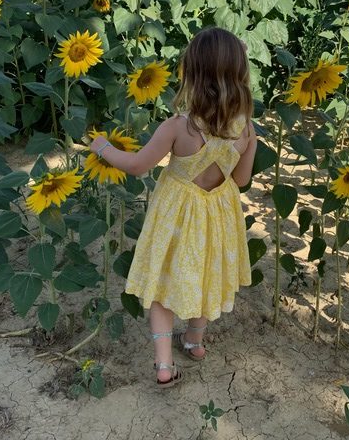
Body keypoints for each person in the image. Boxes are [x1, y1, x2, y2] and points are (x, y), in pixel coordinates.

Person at [90, 27, 258, 388]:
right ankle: (194, 342)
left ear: (191, 74)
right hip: (217, 212)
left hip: (177, 212)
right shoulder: (247, 131)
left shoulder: (178, 127)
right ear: (240, 74)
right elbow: (241, 180)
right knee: (206, 273)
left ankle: (164, 365)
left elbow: (137, 166)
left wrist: (103, 148)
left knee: (163, 282)